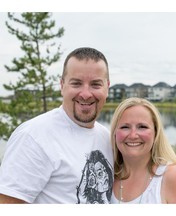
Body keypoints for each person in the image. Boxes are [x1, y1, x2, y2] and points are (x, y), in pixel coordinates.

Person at [0, 47, 113, 204]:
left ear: (107, 87)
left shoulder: (107, 137)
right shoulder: (33, 136)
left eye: (95, 84)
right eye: (76, 83)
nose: (86, 94)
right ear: (62, 85)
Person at [110, 97, 176, 204]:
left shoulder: (170, 176)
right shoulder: (107, 175)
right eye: (125, 127)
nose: (133, 135)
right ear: (115, 132)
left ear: (155, 133)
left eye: (142, 127)